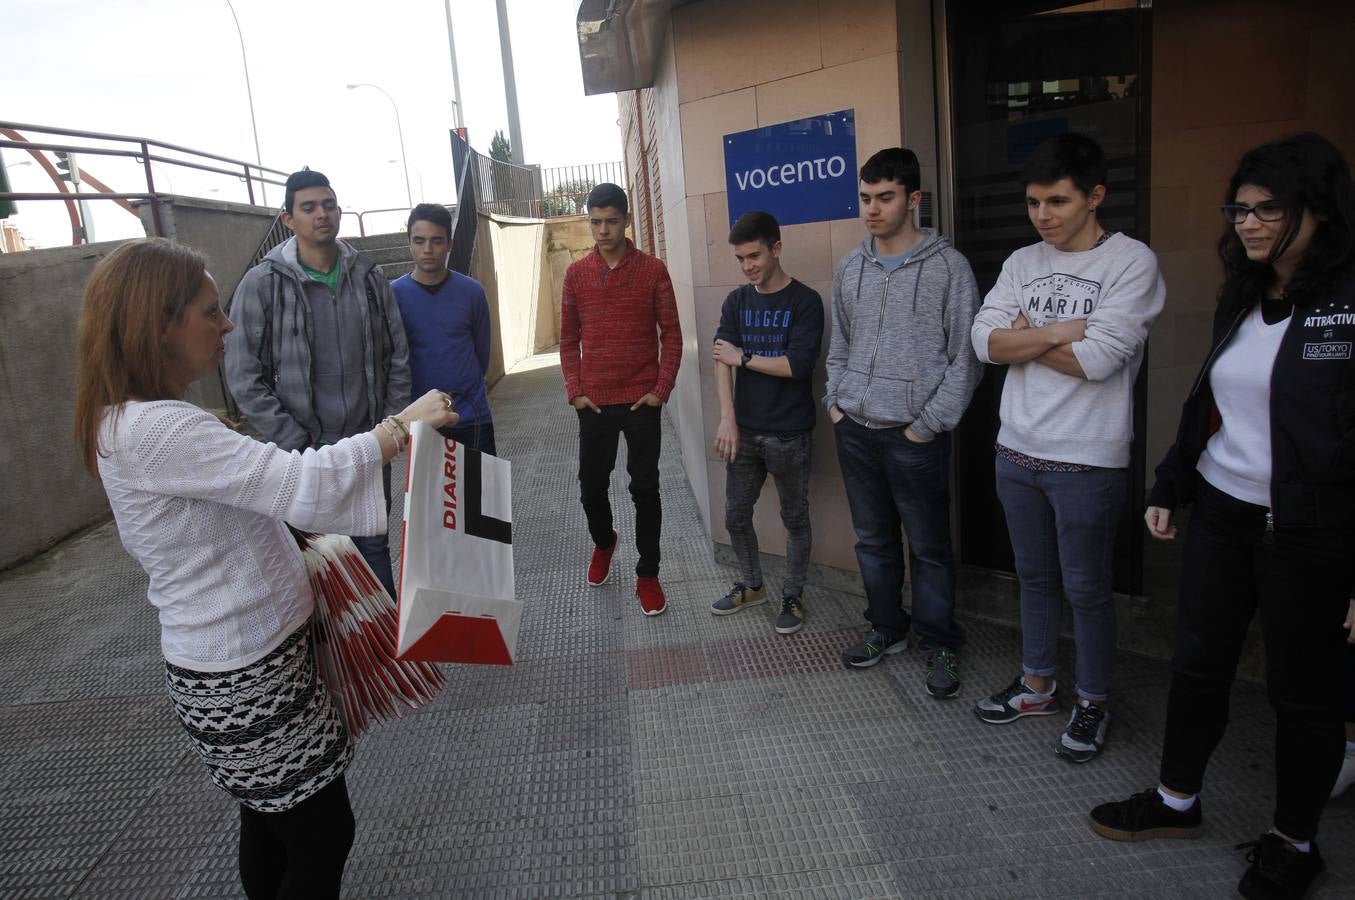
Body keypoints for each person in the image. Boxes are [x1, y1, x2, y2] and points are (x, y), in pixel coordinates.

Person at [73, 238, 457, 900]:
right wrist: (396, 429)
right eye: (208, 311)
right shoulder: (158, 430)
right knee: (320, 833)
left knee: (273, 822)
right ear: (157, 327)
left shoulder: (139, 421)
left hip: (246, 662)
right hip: (242, 673)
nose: (225, 326)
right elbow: (299, 483)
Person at [1089, 133, 1355, 900]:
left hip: (1309, 533)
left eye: (1269, 209)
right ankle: (1175, 801)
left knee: (1301, 695)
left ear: (1317, 210)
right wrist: (1171, 482)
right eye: (1238, 209)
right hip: (1221, 514)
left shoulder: (1347, 300)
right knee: (1197, 668)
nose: (1248, 223)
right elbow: (1206, 399)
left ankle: (1292, 841)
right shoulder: (1245, 293)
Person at [969, 133, 1165, 763]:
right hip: (1015, 450)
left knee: (1086, 588)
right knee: (1034, 578)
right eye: (1032, 203)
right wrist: (1061, 331)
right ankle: (1036, 684)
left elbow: (1101, 359)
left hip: (1087, 456)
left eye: (1057, 201)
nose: (1042, 216)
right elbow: (982, 343)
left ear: (1095, 196)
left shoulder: (1130, 263)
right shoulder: (1023, 262)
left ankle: (1093, 701)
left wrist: (1023, 337)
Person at [825, 147, 983, 697]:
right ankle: (886, 628)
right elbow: (839, 342)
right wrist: (836, 402)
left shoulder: (948, 268)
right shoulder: (850, 267)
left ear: (913, 199)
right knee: (873, 540)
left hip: (914, 435)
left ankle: (939, 642)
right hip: (856, 429)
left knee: (930, 546)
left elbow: (966, 355)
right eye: (865, 198)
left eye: (885, 198)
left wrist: (929, 423)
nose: (872, 209)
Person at [224, 169, 411, 601]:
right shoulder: (263, 283)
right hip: (304, 455)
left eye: (328, 205)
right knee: (317, 558)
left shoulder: (368, 276)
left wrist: (391, 424)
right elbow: (242, 376)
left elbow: (397, 354)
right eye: (308, 207)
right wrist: (295, 438)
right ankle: (332, 658)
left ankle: (384, 661)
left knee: (373, 546)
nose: (321, 214)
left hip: (368, 445)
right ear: (288, 219)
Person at [559, 182, 682, 616]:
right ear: (588, 220)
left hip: (641, 403)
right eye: (595, 222)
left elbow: (673, 335)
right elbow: (568, 338)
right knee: (591, 488)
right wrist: (575, 391)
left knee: (645, 490)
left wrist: (660, 390)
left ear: (627, 220)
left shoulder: (652, 270)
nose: (603, 230)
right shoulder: (576, 275)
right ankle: (604, 541)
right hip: (594, 404)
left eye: (611, 221)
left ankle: (648, 573)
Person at [709, 211, 824, 634]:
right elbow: (722, 358)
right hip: (746, 432)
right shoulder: (737, 301)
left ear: (776, 248)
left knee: (795, 518)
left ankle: (792, 595)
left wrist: (746, 358)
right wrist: (727, 418)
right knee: (735, 517)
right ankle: (752, 584)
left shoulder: (805, 301)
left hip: (790, 434)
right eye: (740, 259)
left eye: (754, 256)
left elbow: (798, 365)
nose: (748, 266)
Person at [391, 202, 496, 454]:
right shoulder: (393, 295)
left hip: (472, 415)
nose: (428, 249)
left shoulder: (472, 292)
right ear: (409, 243)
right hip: (422, 420)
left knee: (480, 492)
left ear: (449, 244)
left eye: (437, 241)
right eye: (419, 240)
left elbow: (482, 353)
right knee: (432, 495)